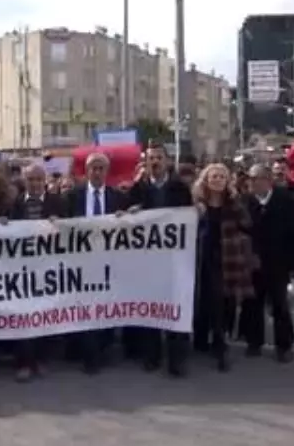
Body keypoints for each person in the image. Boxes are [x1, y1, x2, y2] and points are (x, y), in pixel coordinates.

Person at [126, 142, 192, 376]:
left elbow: (189, 219)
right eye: (151, 158)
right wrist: (132, 213)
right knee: (151, 309)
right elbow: (125, 219)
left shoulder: (180, 189)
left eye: (159, 158)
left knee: (175, 308)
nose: (154, 162)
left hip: (175, 259)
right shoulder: (138, 190)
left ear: (167, 161)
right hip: (148, 261)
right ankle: (151, 356)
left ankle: (177, 359)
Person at [65, 151, 128, 374]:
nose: (97, 172)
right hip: (81, 261)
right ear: (86, 171)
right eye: (93, 168)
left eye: (101, 168)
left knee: (105, 304)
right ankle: (87, 353)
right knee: (84, 305)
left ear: (107, 172)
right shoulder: (73, 196)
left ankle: (103, 346)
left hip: (109, 260)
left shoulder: (118, 197)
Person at [192, 163, 256, 373]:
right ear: (206, 180)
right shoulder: (196, 203)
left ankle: (221, 346)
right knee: (205, 301)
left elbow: (247, 224)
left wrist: (234, 201)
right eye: (213, 176)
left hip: (227, 259)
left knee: (223, 303)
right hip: (202, 258)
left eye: (221, 176)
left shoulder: (233, 202)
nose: (217, 180)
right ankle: (204, 341)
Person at [8, 162, 67, 382]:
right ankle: (23, 363)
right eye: (30, 180)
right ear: (24, 182)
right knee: (22, 318)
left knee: (43, 317)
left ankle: (41, 360)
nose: (34, 184)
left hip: (48, 270)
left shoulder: (58, 203)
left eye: (38, 180)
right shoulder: (14, 205)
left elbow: (74, 231)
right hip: (21, 272)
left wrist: (61, 225)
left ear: (45, 182)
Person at [240, 163, 294, 363]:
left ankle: (284, 345)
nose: (254, 183)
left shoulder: (284, 200)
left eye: (258, 179)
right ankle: (253, 342)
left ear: (268, 180)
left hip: (278, 262)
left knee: (280, 305)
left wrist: (292, 264)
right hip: (253, 263)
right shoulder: (244, 202)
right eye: (251, 179)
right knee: (252, 304)